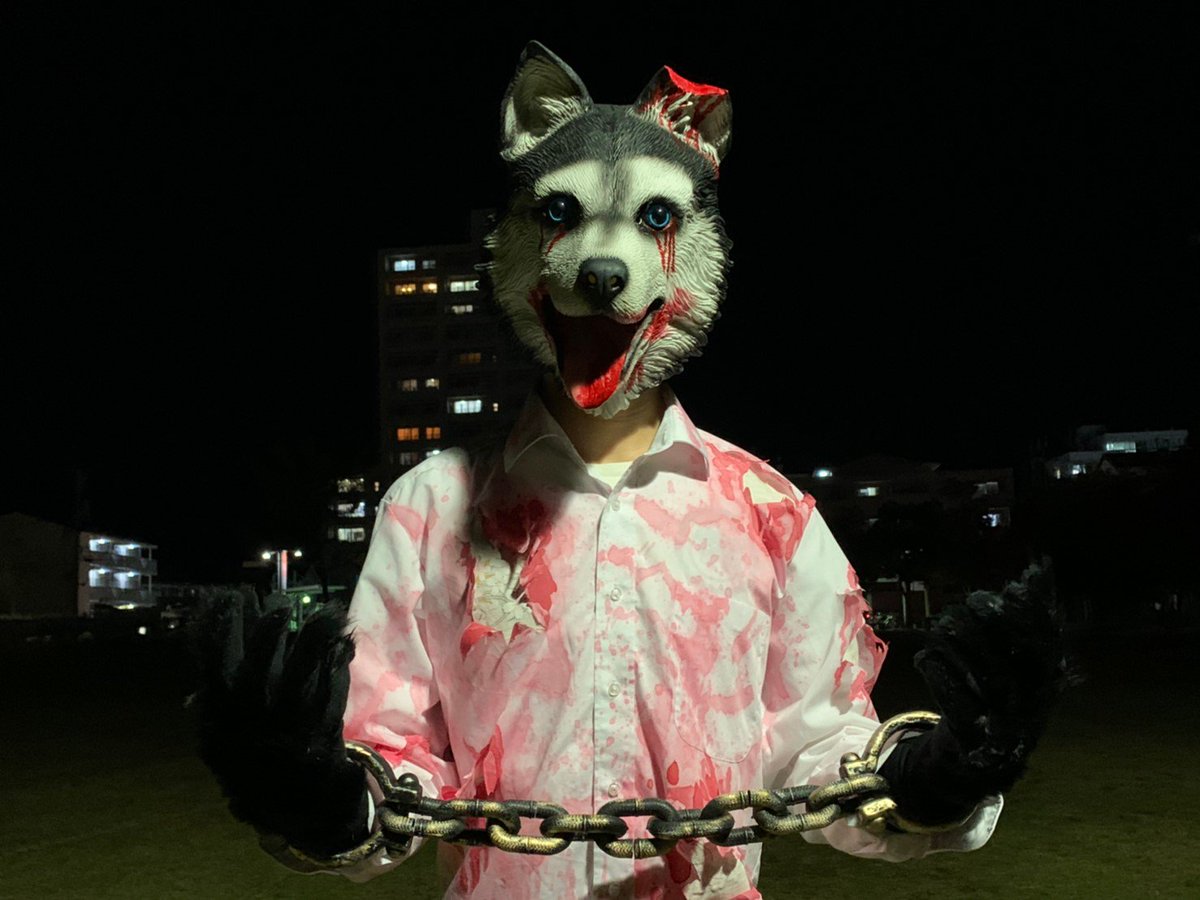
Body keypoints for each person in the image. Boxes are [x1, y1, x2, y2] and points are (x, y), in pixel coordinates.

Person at [196, 41, 1062, 900]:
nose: (602, 263)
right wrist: (323, 794)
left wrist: (932, 775)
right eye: (559, 213)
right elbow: (395, 747)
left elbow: (813, 746)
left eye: (656, 218)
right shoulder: (429, 507)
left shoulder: (771, 513)